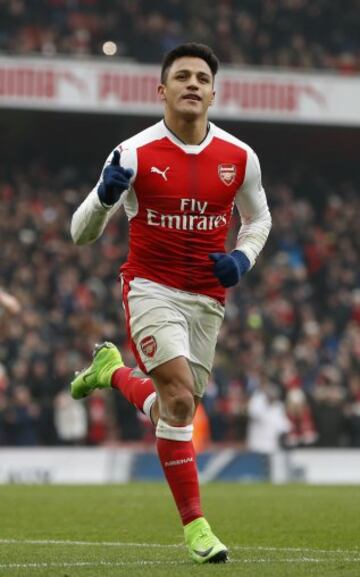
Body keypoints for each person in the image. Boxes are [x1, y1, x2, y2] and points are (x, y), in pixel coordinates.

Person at [70, 42, 271, 564]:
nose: (192, 85)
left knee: (173, 406)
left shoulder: (239, 157)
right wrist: (105, 197)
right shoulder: (133, 153)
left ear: (213, 92)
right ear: (162, 90)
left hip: (207, 298)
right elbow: (79, 234)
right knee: (180, 399)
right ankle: (197, 529)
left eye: (202, 78)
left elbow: (258, 221)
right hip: (150, 287)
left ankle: (113, 372)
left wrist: (243, 259)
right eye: (182, 77)